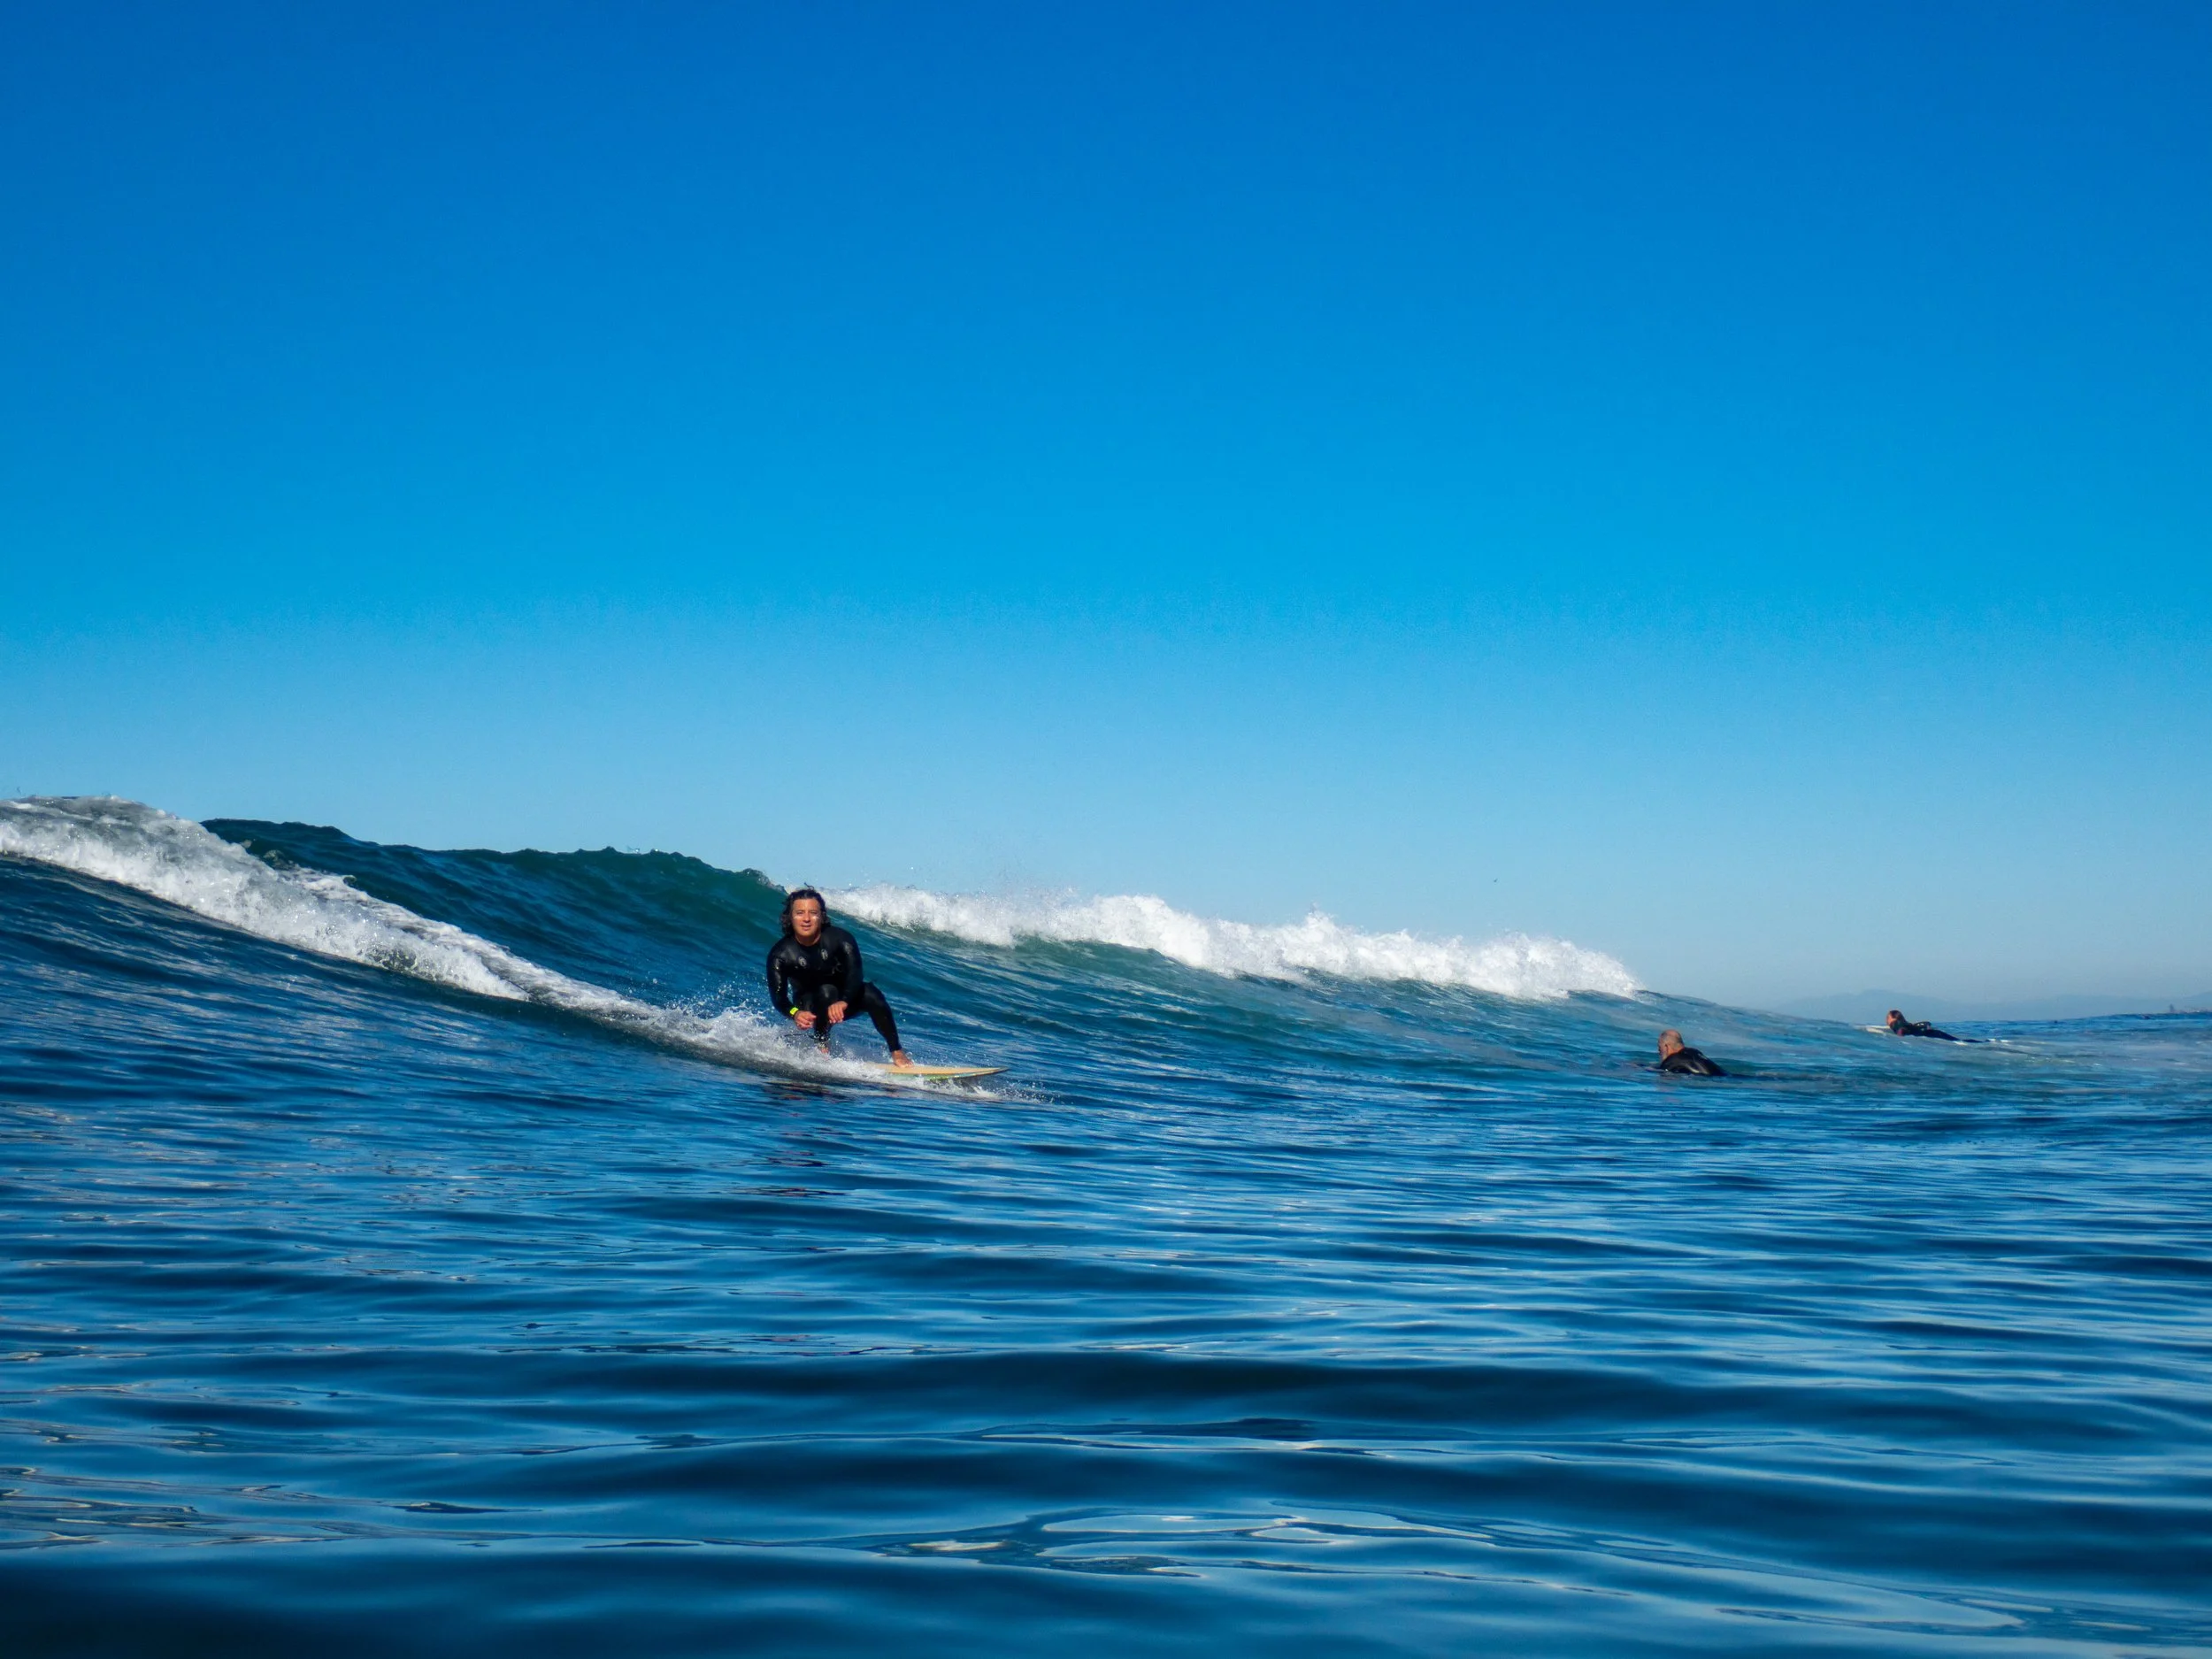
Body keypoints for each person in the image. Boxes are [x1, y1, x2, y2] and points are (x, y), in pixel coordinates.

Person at [766, 888, 911, 1067]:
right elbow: (778, 997)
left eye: (813, 913)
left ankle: (896, 1050)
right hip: (809, 1006)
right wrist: (796, 1013)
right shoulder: (781, 953)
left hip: (844, 1000)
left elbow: (856, 974)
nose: (806, 919)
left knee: (872, 994)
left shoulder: (841, 939)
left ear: (821, 916)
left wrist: (844, 1001)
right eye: (799, 913)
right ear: (790, 917)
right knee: (827, 991)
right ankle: (821, 1044)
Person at [1656, 1029, 1726, 1076]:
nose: (1659, 1052)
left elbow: (1662, 1072)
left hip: (1712, 1081)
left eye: (1660, 1048)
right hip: (1725, 1075)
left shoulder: (1673, 1059)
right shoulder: (1694, 1052)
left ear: (1666, 1047)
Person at [1886, 1009, 1960, 1041]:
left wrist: (1899, 1037)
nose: (1886, 1020)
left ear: (1892, 1018)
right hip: (1936, 1033)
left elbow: (1900, 1030)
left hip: (1929, 1034)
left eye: (1887, 1018)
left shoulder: (1895, 1022)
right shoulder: (1908, 1024)